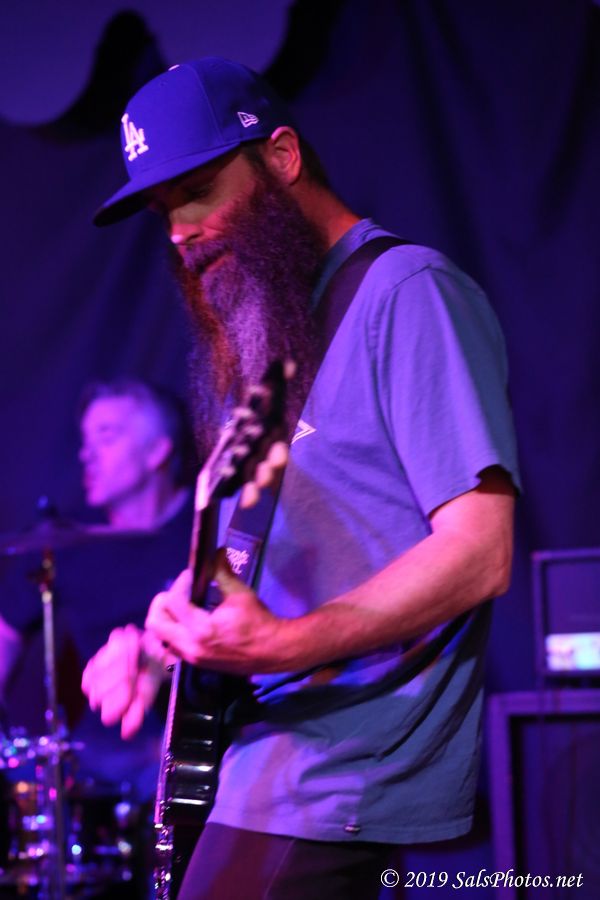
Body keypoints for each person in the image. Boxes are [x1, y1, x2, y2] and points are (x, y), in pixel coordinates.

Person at [81, 58, 520, 899]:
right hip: (263, 758)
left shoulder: (407, 291)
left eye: (197, 192)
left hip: (339, 770)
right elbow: (255, 566)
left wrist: (283, 645)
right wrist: (167, 648)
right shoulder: (274, 325)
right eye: (164, 210)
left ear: (281, 156)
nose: (179, 232)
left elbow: (481, 549)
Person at [0, 379, 196, 895]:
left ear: (157, 451)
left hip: (196, 750)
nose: (87, 453)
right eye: (86, 439)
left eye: (106, 436)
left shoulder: (208, 528)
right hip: (103, 759)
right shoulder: (66, 543)